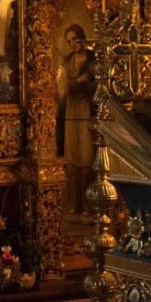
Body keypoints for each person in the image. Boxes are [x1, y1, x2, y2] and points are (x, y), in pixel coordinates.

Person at [56, 24, 95, 216]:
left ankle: (88, 204)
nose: (73, 44)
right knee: (72, 158)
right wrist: (71, 83)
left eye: (75, 39)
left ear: (82, 37)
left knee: (87, 158)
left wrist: (86, 82)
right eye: (69, 41)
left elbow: (97, 83)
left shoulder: (92, 60)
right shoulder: (67, 61)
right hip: (71, 112)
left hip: (87, 111)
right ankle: (74, 203)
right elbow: (61, 88)